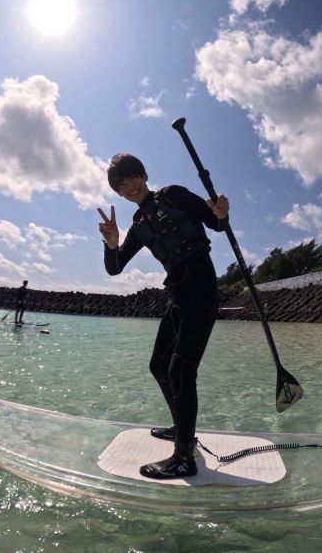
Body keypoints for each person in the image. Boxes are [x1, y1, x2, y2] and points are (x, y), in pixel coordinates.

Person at [97, 152, 229, 479]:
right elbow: (115, 268)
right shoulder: (139, 225)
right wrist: (111, 244)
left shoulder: (173, 195)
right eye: (121, 184)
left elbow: (217, 224)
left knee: (181, 371)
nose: (129, 186)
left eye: (132, 177)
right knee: (159, 366)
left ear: (143, 175)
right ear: (118, 192)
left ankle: (184, 457)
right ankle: (182, 429)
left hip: (201, 288)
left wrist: (221, 211)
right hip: (178, 296)